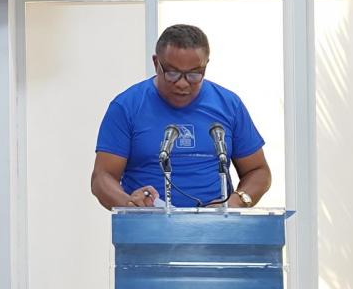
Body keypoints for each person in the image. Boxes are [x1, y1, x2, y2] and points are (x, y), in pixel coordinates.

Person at [91, 24, 271, 209]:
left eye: (194, 74)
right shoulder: (126, 106)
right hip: (146, 228)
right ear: (156, 63)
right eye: (173, 73)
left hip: (217, 230)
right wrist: (130, 204)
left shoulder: (229, 105)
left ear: (206, 66)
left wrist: (234, 202)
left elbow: (258, 171)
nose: (183, 84)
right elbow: (102, 177)